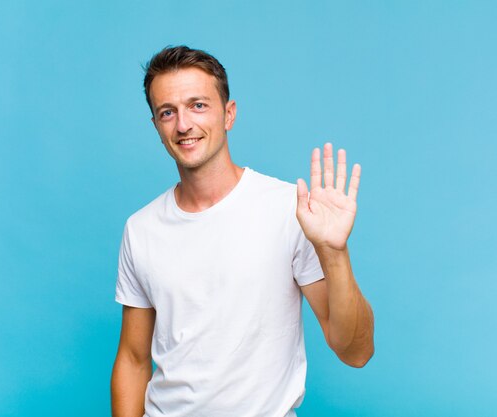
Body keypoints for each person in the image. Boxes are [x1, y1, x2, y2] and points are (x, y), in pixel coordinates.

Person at [111, 45, 374, 417]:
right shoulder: (141, 229)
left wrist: (334, 252)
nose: (183, 124)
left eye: (198, 105)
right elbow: (133, 360)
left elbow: (356, 351)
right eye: (167, 112)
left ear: (228, 114)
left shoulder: (290, 210)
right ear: (156, 125)